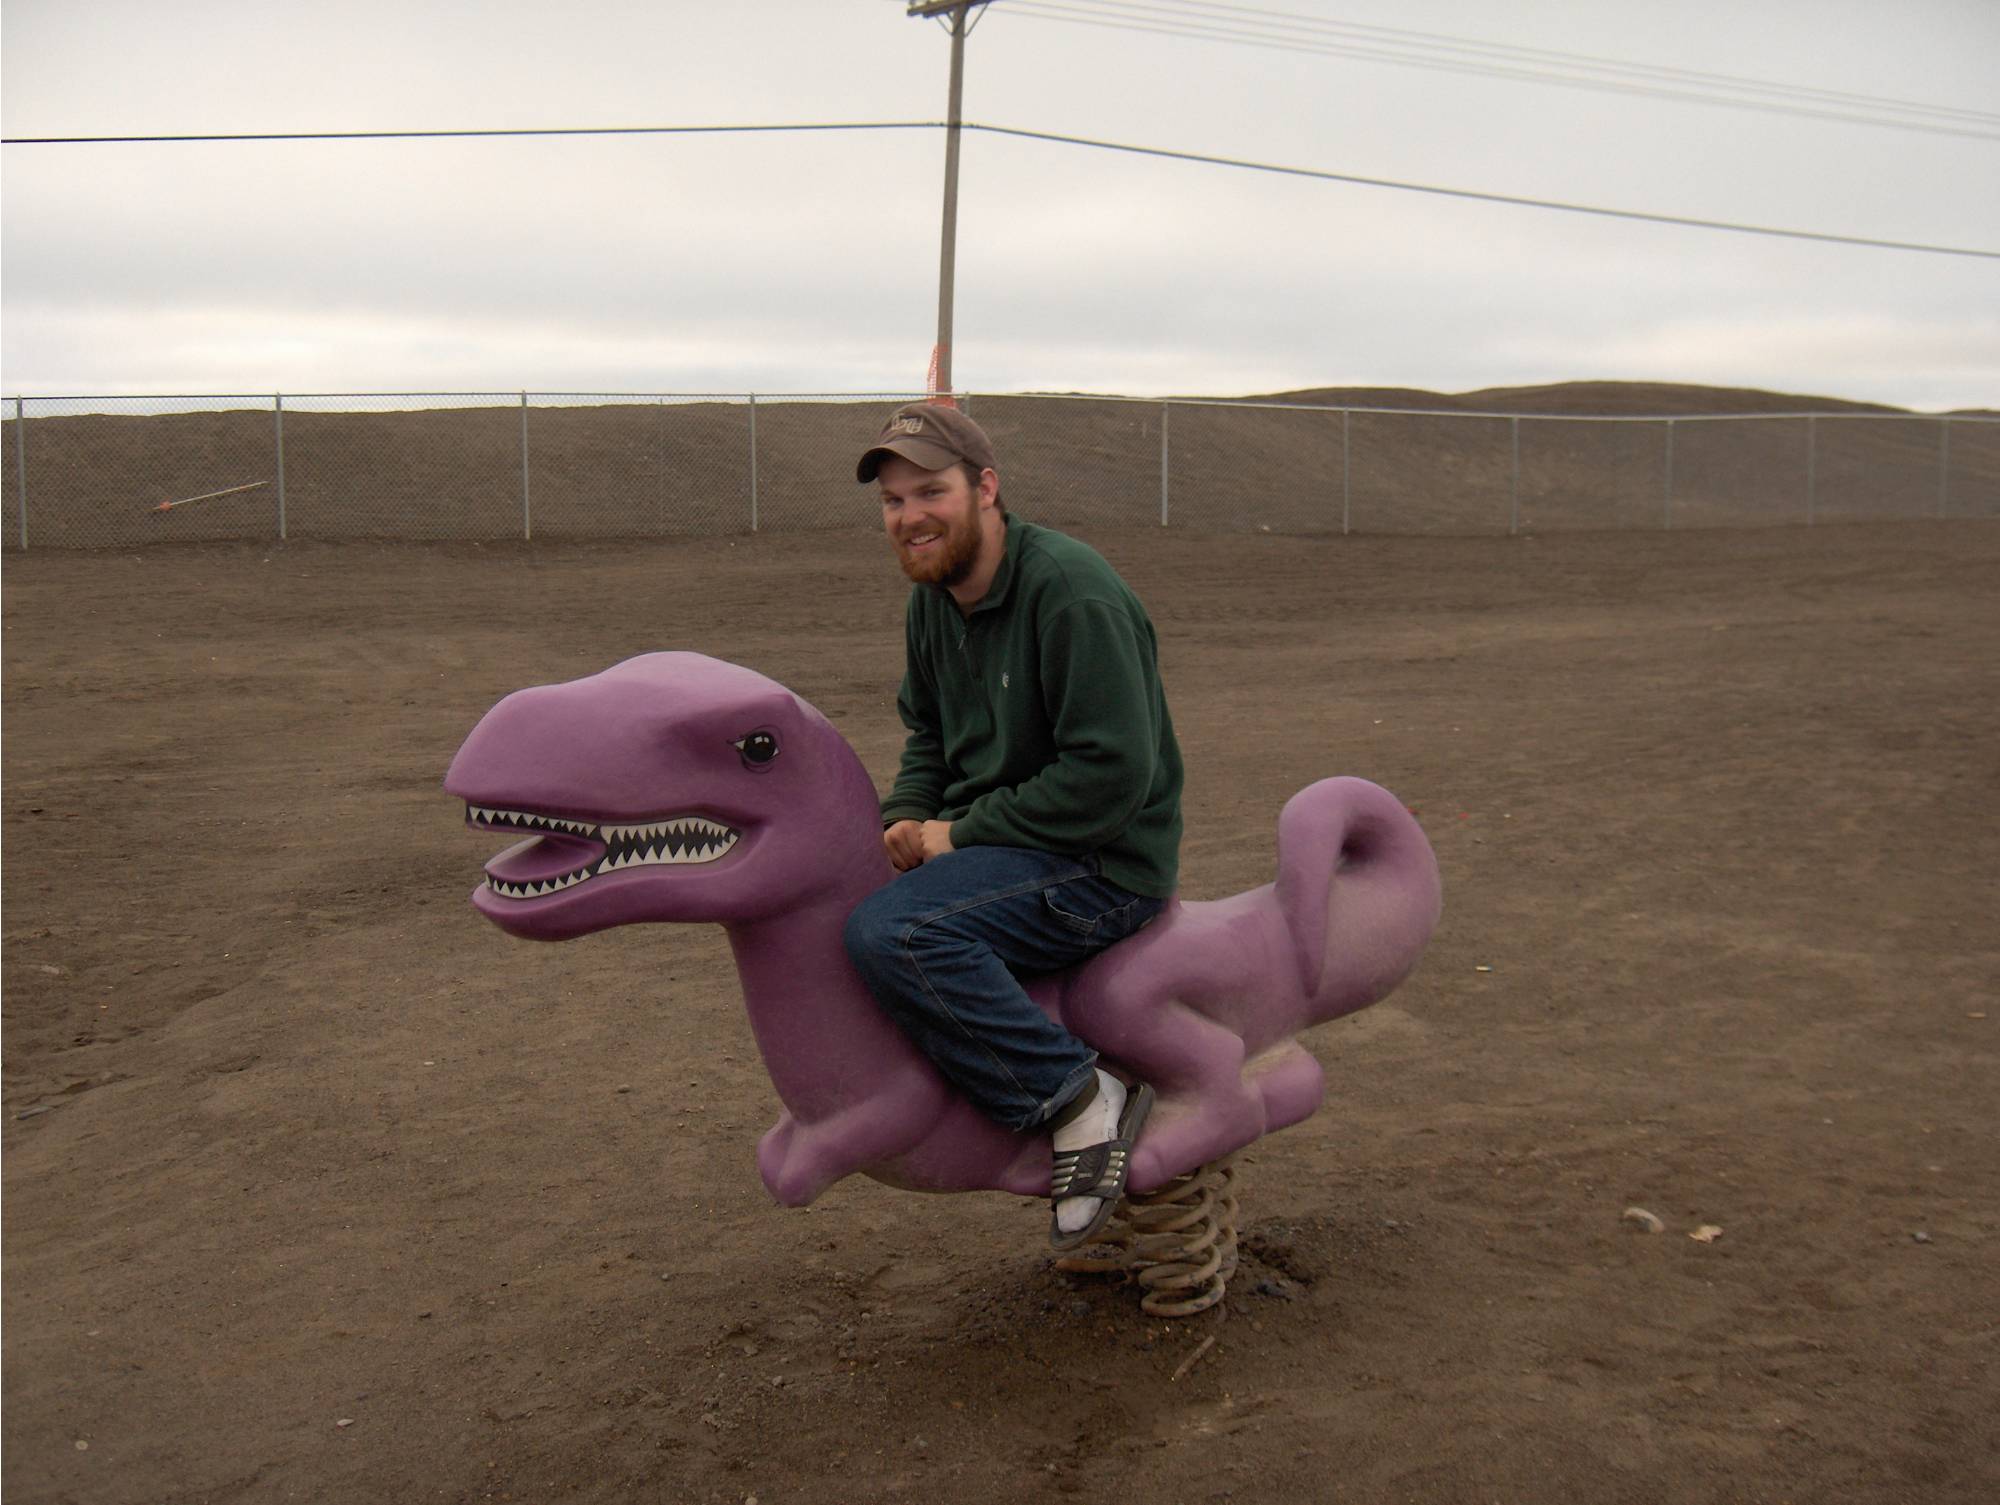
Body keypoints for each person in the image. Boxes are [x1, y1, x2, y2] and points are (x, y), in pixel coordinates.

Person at [841, 401, 1185, 1250]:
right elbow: (930, 734)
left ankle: (1078, 1096)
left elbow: (1109, 778)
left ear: (986, 488)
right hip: (1009, 844)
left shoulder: (1070, 592)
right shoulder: (933, 602)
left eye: (931, 491)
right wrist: (907, 813)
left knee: (899, 932)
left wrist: (958, 834)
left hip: (1101, 861)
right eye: (893, 501)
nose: (910, 516)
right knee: (849, 904)